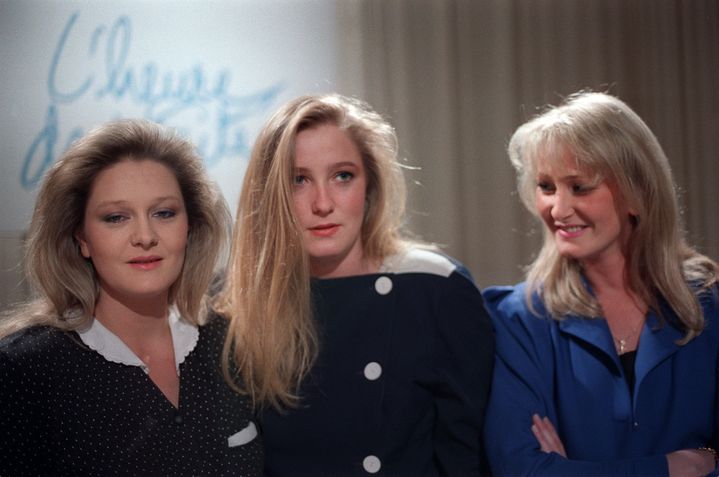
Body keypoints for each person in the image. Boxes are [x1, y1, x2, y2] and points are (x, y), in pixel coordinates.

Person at [214, 93, 494, 476]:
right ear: (271, 194)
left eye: (342, 176)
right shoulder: (237, 302)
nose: (323, 202)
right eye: (299, 180)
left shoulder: (435, 288)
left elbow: (466, 457)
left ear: (370, 185)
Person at [0, 119, 263, 476]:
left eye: (164, 213)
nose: (145, 236)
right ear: (82, 238)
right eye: (116, 217)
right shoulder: (25, 370)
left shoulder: (233, 341)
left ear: (190, 226)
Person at [482, 91, 719, 476]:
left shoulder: (711, 303)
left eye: (580, 187)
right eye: (546, 187)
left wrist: (576, 469)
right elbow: (523, 470)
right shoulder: (517, 318)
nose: (557, 209)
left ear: (637, 195)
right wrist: (676, 468)